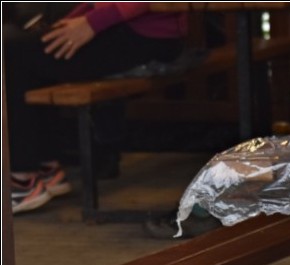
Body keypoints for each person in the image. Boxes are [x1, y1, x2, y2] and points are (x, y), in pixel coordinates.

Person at [5, 3, 187, 213]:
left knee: (13, 53)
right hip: (132, 27)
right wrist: (72, 21)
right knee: (34, 49)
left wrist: (90, 23)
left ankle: (22, 180)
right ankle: (46, 168)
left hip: (144, 33)